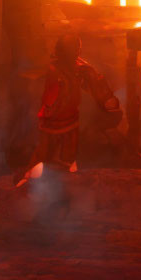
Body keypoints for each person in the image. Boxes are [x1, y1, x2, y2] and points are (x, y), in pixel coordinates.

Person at [16, 35, 122, 185]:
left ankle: (62, 185)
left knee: (67, 159)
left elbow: (95, 81)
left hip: (69, 121)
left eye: (77, 50)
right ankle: (29, 179)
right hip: (50, 121)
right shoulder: (52, 70)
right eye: (72, 50)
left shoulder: (80, 68)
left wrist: (107, 99)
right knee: (43, 154)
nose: (76, 53)